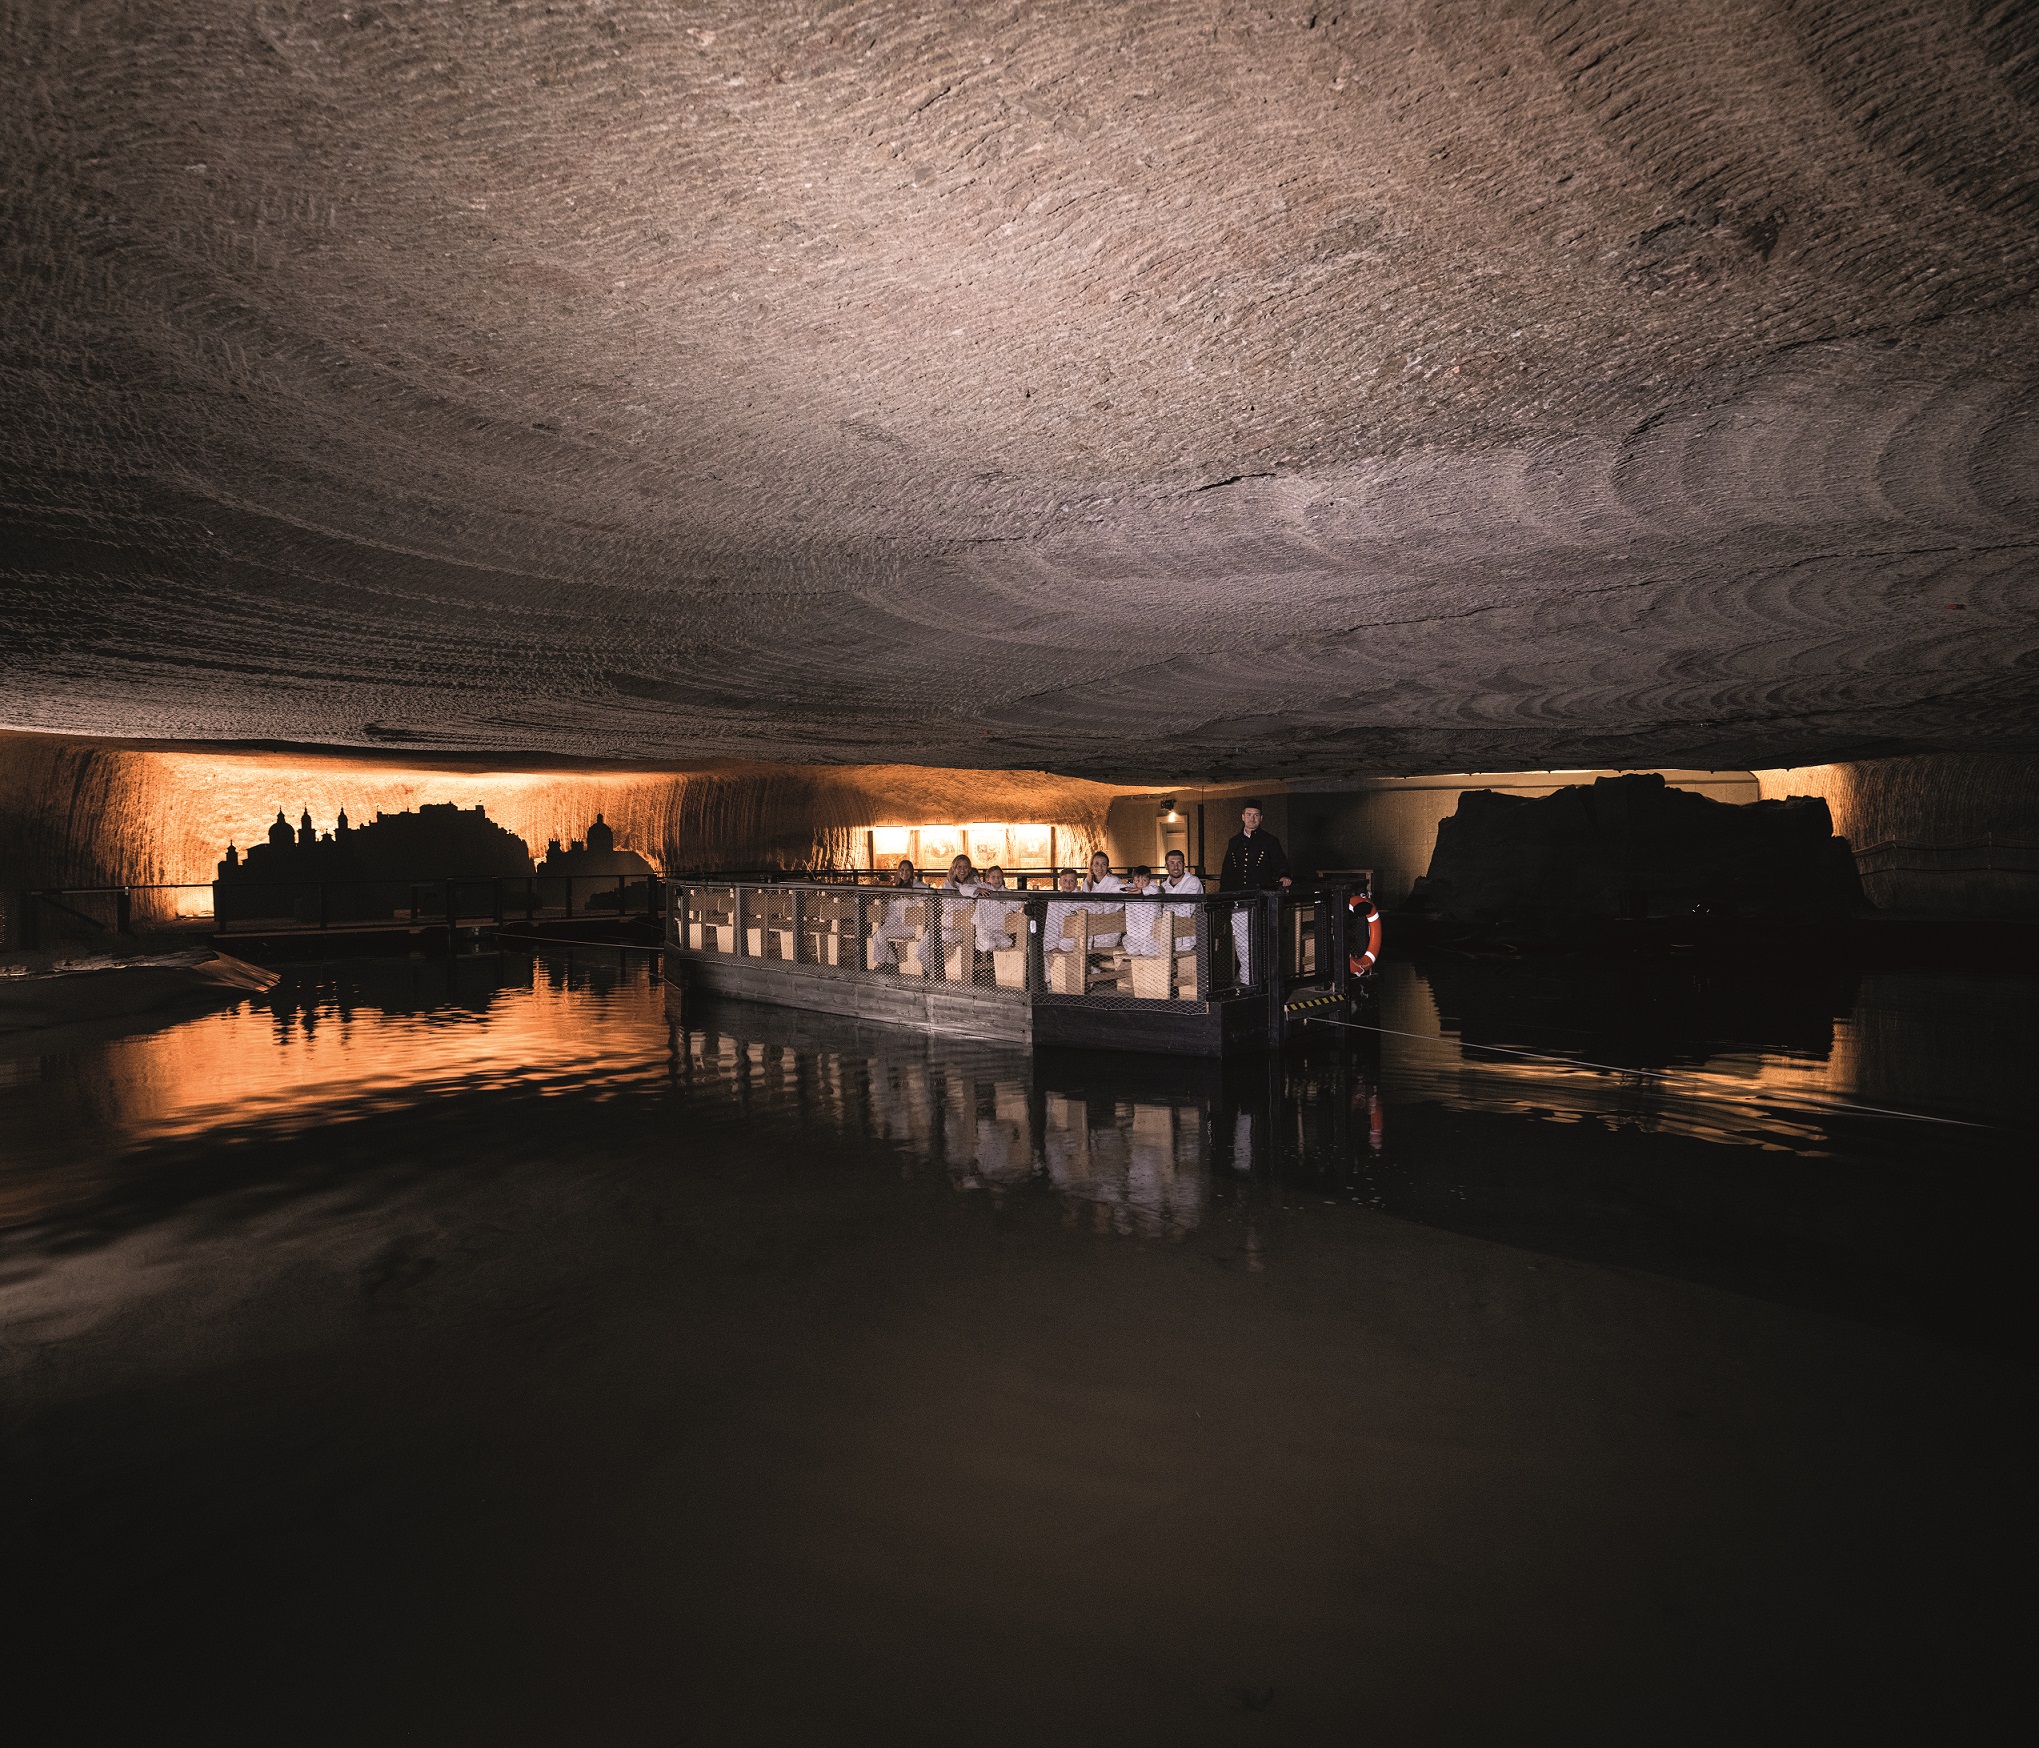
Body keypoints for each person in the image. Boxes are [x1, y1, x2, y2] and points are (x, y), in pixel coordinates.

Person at [1217, 800, 1291, 983]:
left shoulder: (1270, 841)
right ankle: (1247, 979)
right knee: (1242, 942)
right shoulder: (1234, 842)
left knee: (1262, 940)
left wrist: (1284, 876)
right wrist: (1223, 898)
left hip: (1261, 901)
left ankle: (1263, 979)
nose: (1252, 818)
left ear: (1261, 818)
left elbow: (1281, 864)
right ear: (1243, 817)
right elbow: (1227, 872)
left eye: (1256, 815)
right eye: (1248, 815)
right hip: (1240, 901)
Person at [870, 858, 926, 968]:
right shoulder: (896, 889)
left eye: (907, 870)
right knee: (876, 936)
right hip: (898, 925)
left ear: (912, 872)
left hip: (912, 926)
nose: (904, 873)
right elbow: (892, 913)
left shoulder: (917, 885)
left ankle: (882, 963)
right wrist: (886, 926)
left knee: (881, 934)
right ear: (898, 872)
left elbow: (926, 900)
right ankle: (892, 962)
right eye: (902, 870)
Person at [1081, 850, 1126, 951]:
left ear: (1107, 867)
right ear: (1091, 866)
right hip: (1091, 924)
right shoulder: (1087, 882)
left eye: (1103, 864)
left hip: (1109, 925)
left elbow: (1120, 904)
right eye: (1096, 864)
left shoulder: (1113, 880)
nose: (1100, 868)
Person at [974, 865, 1020, 952]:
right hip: (984, 928)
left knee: (1007, 943)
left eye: (999, 877)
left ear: (1002, 878)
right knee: (989, 945)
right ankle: (978, 942)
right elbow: (970, 886)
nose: (997, 880)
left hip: (999, 929)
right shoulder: (983, 888)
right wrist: (979, 890)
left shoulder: (1006, 892)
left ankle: (1000, 962)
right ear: (988, 879)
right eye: (993, 877)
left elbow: (1017, 903)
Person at [1043, 867, 1086, 955]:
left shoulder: (1084, 898)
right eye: (1065, 880)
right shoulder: (1054, 901)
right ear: (1060, 882)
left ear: (1076, 883)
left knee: (1065, 945)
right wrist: (1053, 946)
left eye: (1071, 881)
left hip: (1078, 937)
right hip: (1059, 938)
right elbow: (1051, 924)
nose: (1068, 884)